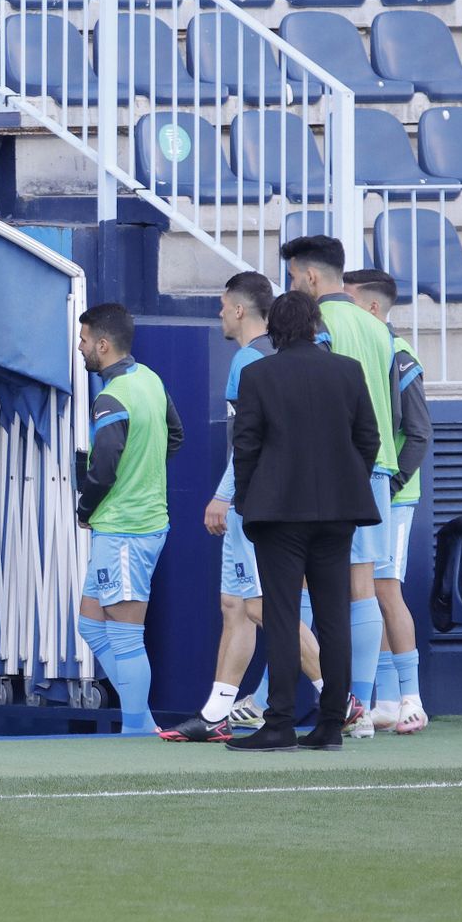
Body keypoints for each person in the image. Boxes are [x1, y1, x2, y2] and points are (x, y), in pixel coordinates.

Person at [162, 273, 324, 743]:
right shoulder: (296, 355)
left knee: (257, 604)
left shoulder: (248, 362)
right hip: (289, 498)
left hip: (258, 503)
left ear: (238, 310)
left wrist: (225, 494)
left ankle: (338, 696)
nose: (218, 314)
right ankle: (217, 712)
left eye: (221, 306)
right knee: (235, 605)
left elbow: (247, 443)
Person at [228, 290, 380, 752]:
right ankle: (332, 723)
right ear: (316, 324)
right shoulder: (348, 371)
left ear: (274, 328)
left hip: (278, 513)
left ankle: (279, 723)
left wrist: (246, 497)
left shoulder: (258, 374)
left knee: (282, 615)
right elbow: (368, 440)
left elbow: (247, 446)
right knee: (335, 617)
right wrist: (344, 478)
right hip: (338, 512)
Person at [284, 235, 398, 737]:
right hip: (378, 466)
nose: (290, 287)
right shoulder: (377, 326)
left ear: (310, 277)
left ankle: (341, 702)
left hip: (332, 469)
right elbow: (391, 403)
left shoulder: (320, 325)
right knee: (362, 588)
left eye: (291, 278)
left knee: (308, 585)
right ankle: (362, 710)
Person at [74, 304, 183, 736]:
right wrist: (144, 468)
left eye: (83, 341)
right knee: (89, 623)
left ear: (103, 345)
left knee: (124, 636)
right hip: (132, 524)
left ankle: (136, 732)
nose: (80, 348)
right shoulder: (150, 380)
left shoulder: (112, 396)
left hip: (125, 528)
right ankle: (146, 723)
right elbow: (177, 435)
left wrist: (85, 509)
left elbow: (103, 467)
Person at [345, 268, 432, 734]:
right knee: (363, 591)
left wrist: (390, 486)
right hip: (371, 492)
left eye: (350, 299)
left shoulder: (398, 354)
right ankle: (383, 699)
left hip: (393, 497)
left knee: (384, 589)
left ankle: (412, 700)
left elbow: (418, 432)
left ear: (373, 308)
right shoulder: (369, 350)